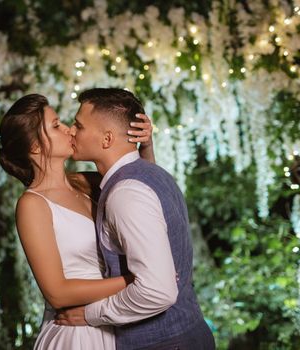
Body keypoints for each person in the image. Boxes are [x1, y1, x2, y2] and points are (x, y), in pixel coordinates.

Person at [55, 88, 215, 349]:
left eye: (79, 125)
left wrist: (90, 314)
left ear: (107, 139)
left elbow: (157, 291)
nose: (71, 130)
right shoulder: (152, 174)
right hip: (187, 333)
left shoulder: (126, 194)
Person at [0, 93, 155, 349]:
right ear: (36, 147)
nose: (69, 130)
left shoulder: (88, 182)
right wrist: (136, 280)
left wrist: (145, 145)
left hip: (117, 321)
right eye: (57, 125)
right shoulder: (32, 204)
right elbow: (57, 292)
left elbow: (144, 196)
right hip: (77, 331)